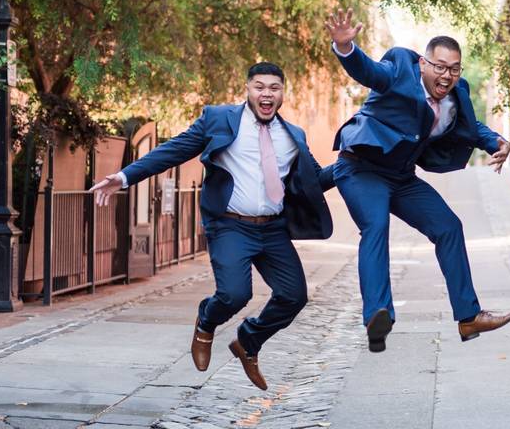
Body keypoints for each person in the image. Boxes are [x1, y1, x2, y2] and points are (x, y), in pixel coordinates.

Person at [90, 63, 334, 390]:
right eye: (259, 86)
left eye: (274, 88)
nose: (267, 93)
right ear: (247, 90)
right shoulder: (219, 119)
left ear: (282, 94)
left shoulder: (294, 136)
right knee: (234, 294)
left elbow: (314, 182)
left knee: (294, 296)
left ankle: (248, 341)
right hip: (230, 225)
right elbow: (173, 150)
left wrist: (352, 164)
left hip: (273, 229)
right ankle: (206, 322)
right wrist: (124, 177)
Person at [325, 9, 510, 352]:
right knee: (375, 225)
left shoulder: (456, 94)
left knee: (448, 226)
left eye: (454, 69)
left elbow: (471, 128)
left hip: (401, 177)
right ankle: (377, 315)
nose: (447, 76)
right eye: (440, 67)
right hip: (361, 168)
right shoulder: (400, 67)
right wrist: (346, 48)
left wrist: (497, 142)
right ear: (424, 64)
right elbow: (369, 71)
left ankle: (469, 316)